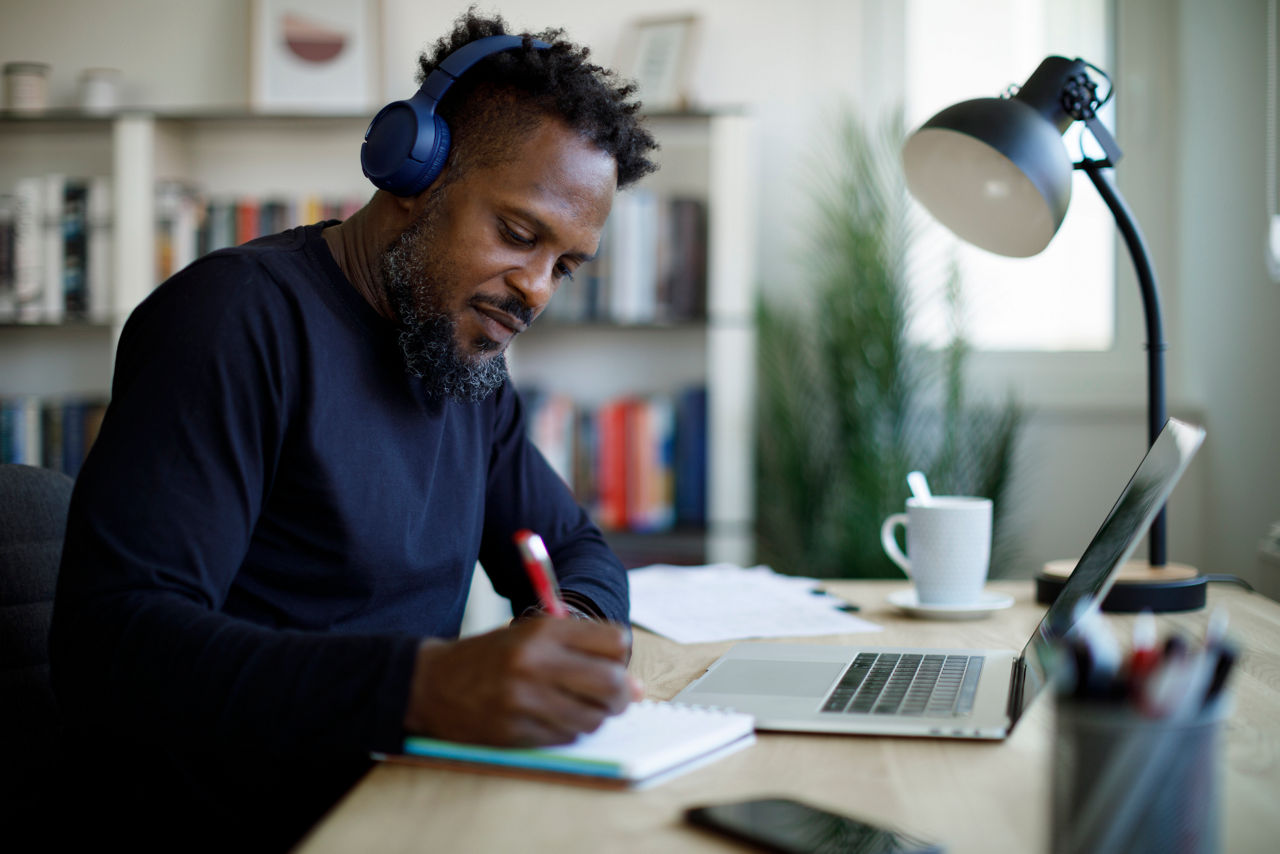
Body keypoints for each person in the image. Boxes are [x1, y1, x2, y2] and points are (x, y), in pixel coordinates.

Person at [49, 9, 659, 849]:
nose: (537, 289)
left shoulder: (464, 358)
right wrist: (422, 686)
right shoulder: (230, 322)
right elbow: (116, 645)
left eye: (565, 263)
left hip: (400, 807)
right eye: (519, 235)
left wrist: (568, 634)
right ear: (414, 168)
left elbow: (574, 547)